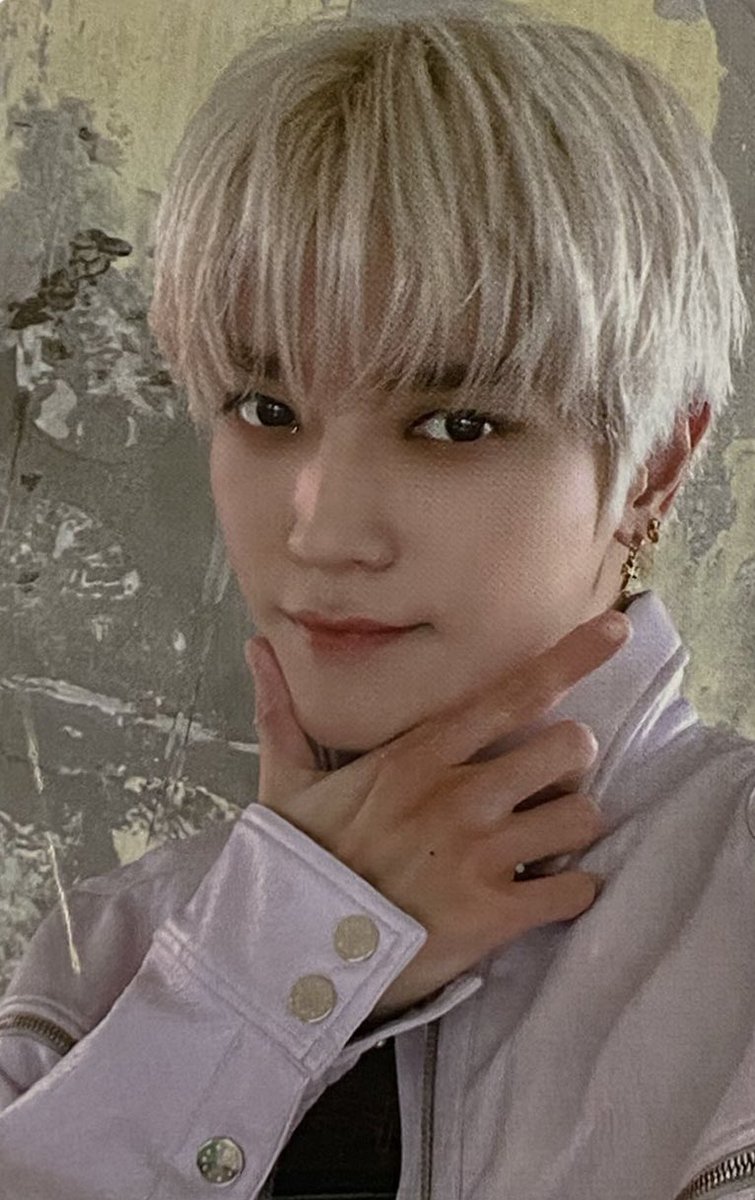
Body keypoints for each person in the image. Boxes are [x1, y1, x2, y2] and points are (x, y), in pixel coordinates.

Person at [0, 4, 752, 1198]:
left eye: (454, 425)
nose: (322, 530)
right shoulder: (109, 955)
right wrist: (278, 956)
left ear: (654, 466)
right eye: (265, 408)